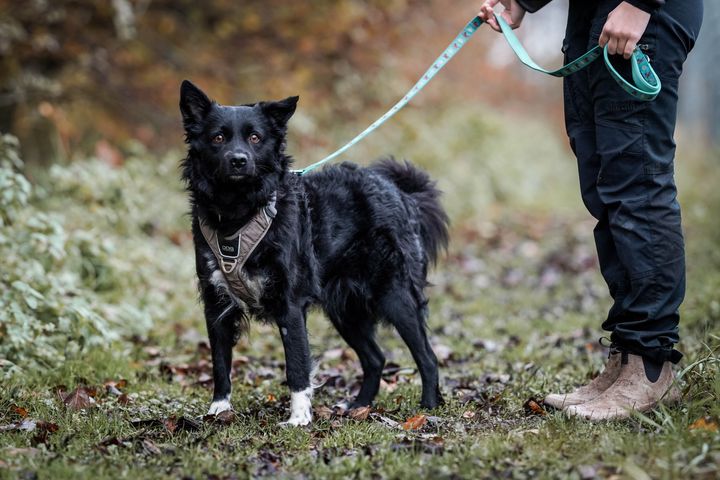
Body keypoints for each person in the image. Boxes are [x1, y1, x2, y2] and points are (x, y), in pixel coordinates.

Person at [478, 0, 703, 421]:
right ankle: (625, 359)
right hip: (592, 13)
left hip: (640, 15)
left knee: (637, 186)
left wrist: (640, 4)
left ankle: (650, 365)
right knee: (606, 187)